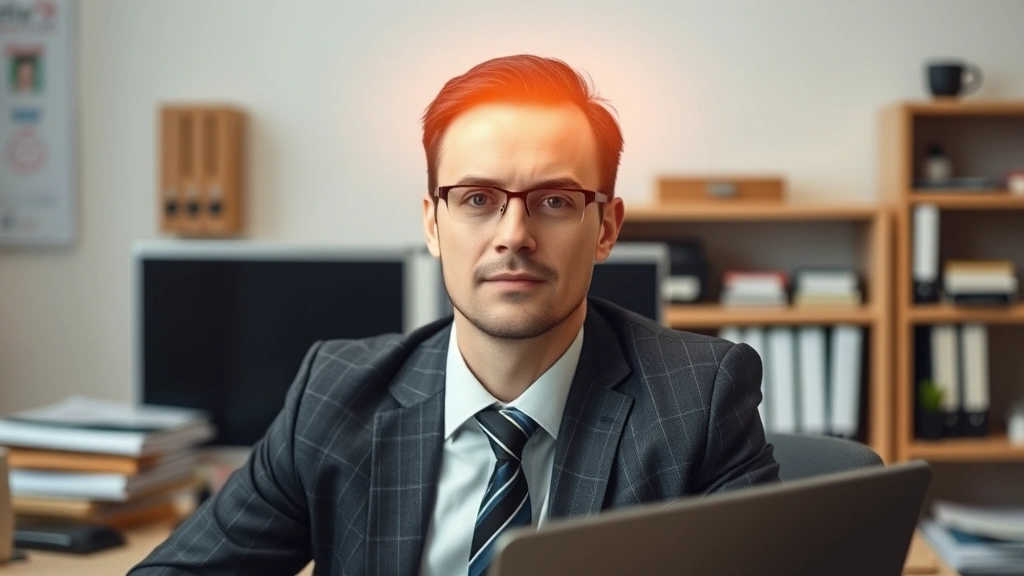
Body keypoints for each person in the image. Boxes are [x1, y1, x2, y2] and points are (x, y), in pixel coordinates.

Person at [130, 54, 778, 576]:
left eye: (553, 200)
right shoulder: (334, 395)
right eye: (476, 198)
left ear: (605, 228)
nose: (513, 235)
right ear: (433, 224)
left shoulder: (699, 397)